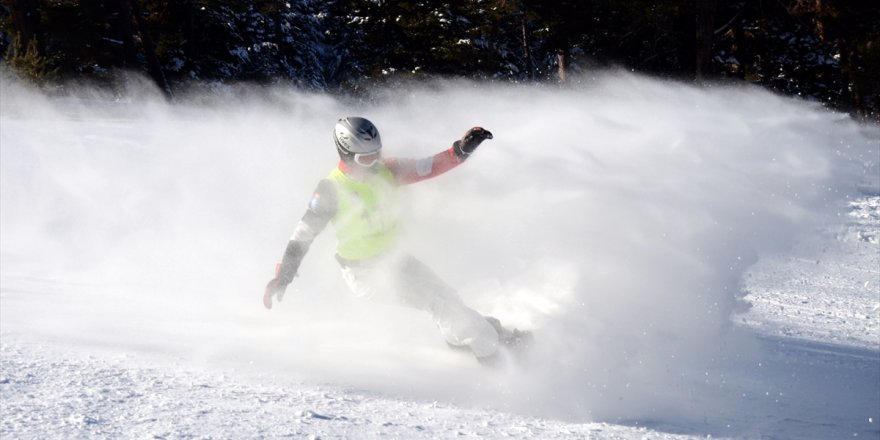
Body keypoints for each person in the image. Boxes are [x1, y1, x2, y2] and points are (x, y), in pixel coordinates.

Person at [263, 117, 528, 365]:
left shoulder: (385, 170)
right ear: (346, 154)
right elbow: (302, 235)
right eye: (366, 158)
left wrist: (461, 150)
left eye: (376, 153)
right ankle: (494, 357)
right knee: (442, 306)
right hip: (366, 273)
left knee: (448, 298)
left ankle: (468, 342)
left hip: (395, 259)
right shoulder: (331, 190)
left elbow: (427, 167)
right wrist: (283, 275)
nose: (374, 161)